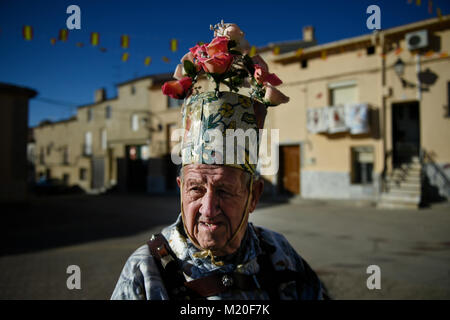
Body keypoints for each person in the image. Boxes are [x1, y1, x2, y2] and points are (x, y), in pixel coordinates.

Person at [111, 22, 329, 300]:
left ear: (253, 196)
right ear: (180, 188)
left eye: (224, 189)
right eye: (196, 189)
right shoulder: (147, 269)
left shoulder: (278, 253)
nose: (209, 208)